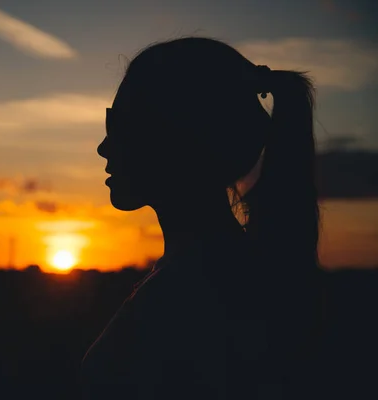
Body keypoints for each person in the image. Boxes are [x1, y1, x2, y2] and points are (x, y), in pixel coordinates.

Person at [80, 37, 324, 399]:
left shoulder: (192, 296)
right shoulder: (221, 273)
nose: (104, 146)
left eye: (121, 125)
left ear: (177, 136)